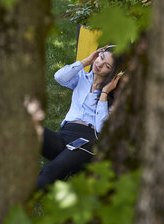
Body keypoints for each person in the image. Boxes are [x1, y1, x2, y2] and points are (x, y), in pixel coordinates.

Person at [36, 45, 122, 190]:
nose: (99, 64)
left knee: (52, 169)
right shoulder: (81, 77)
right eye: (101, 57)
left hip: (89, 142)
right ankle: (70, 162)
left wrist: (104, 93)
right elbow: (59, 77)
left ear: (113, 73)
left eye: (106, 65)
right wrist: (86, 61)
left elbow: (101, 129)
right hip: (65, 134)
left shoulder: (115, 97)